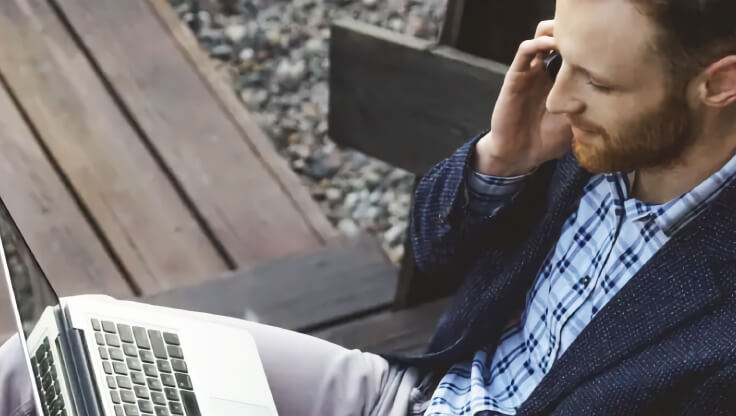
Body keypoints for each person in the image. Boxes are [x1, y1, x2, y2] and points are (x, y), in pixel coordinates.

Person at [3, 0, 736, 414]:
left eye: (598, 82)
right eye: (557, 57)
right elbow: (437, 251)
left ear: (719, 84)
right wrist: (498, 164)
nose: (561, 96)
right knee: (58, 351)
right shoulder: (592, 131)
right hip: (411, 393)